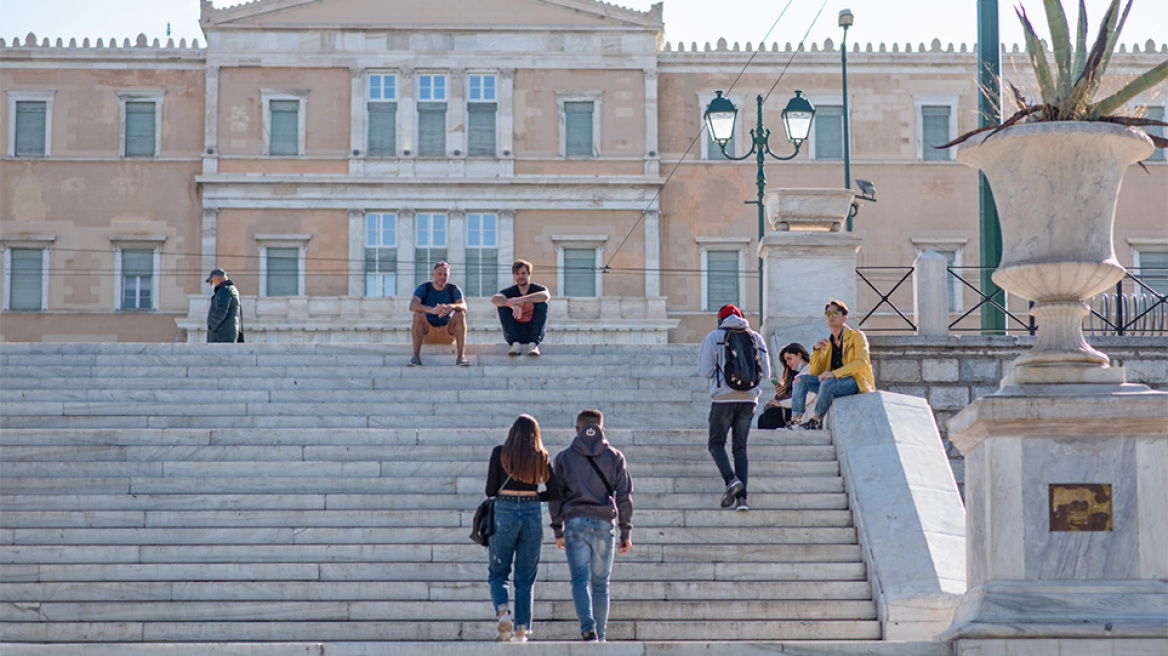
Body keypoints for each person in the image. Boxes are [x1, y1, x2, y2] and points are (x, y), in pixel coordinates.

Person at [549, 409, 634, 643]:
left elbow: (556, 496)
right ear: (602, 429)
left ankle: (588, 629)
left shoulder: (564, 457)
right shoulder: (615, 456)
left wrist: (557, 529)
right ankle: (602, 635)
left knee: (579, 579)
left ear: (577, 430)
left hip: (575, 522)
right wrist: (625, 530)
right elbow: (624, 495)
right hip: (605, 523)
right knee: (601, 584)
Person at [485, 414, 559, 643]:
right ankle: (521, 630)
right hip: (531, 513)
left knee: (498, 572)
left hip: (504, 512)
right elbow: (555, 492)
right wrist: (534, 496)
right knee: (525, 578)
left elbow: (490, 491)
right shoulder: (541, 457)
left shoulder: (500, 452)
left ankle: (503, 612)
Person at [697, 304, 771, 512]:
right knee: (740, 448)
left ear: (720, 320)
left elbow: (705, 371)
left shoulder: (713, 337)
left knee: (716, 443)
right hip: (749, 398)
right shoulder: (756, 338)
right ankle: (742, 501)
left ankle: (731, 480)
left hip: (723, 398)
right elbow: (765, 372)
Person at [788, 299, 875, 430]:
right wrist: (816, 352)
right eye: (828, 313)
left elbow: (861, 363)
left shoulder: (856, 336)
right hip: (833, 384)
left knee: (827, 383)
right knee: (800, 380)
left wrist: (834, 374)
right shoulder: (827, 344)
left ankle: (816, 420)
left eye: (835, 313)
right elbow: (815, 373)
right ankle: (795, 420)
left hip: (855, 382)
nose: (830, 316)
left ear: (844, 317)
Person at [408, 261, 469, 367]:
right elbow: (412, 305)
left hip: (447, 333)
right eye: (439, 274)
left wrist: (451, 307)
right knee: (418, 314)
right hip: (428, 332)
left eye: (445, 274)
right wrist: (432, 310)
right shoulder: (424, 288)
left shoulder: (453, 289)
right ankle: (416, 357)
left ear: (449, 275)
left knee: (460, 314)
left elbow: (464, 306)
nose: (442, 277)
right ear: (433, 275)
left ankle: (461, 357)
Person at [491, 259, 551, 357]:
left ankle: (533, 345)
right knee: (503, 306)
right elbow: (495, 299)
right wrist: (510, 304)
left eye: (523, 273)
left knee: (542, 305)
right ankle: (515, 345)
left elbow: (545, 296)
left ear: (529, 274)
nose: (520, 277)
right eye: (517, 274)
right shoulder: (511, 291)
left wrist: (520, 300)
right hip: (516, 333)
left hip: (533, 332)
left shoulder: (537, 289)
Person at [757, 342, 812, 430]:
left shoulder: (811, 371)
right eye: (786, 361)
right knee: (762, 418)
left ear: (799, 355)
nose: (787, 363)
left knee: (770, 414)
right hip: (793, 409)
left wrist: (780, 403)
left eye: (789, 359)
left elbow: (807, 397)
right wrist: (781, 395)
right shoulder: (795, 375)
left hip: (803, 411)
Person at [205, 268, 241, 343]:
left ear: (218, 278)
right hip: (225, 333)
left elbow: (221, 311)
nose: (211, 284)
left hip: (222, 335)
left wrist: (212, 326)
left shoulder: (224, 290)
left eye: (211, 281)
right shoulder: (230, 289)